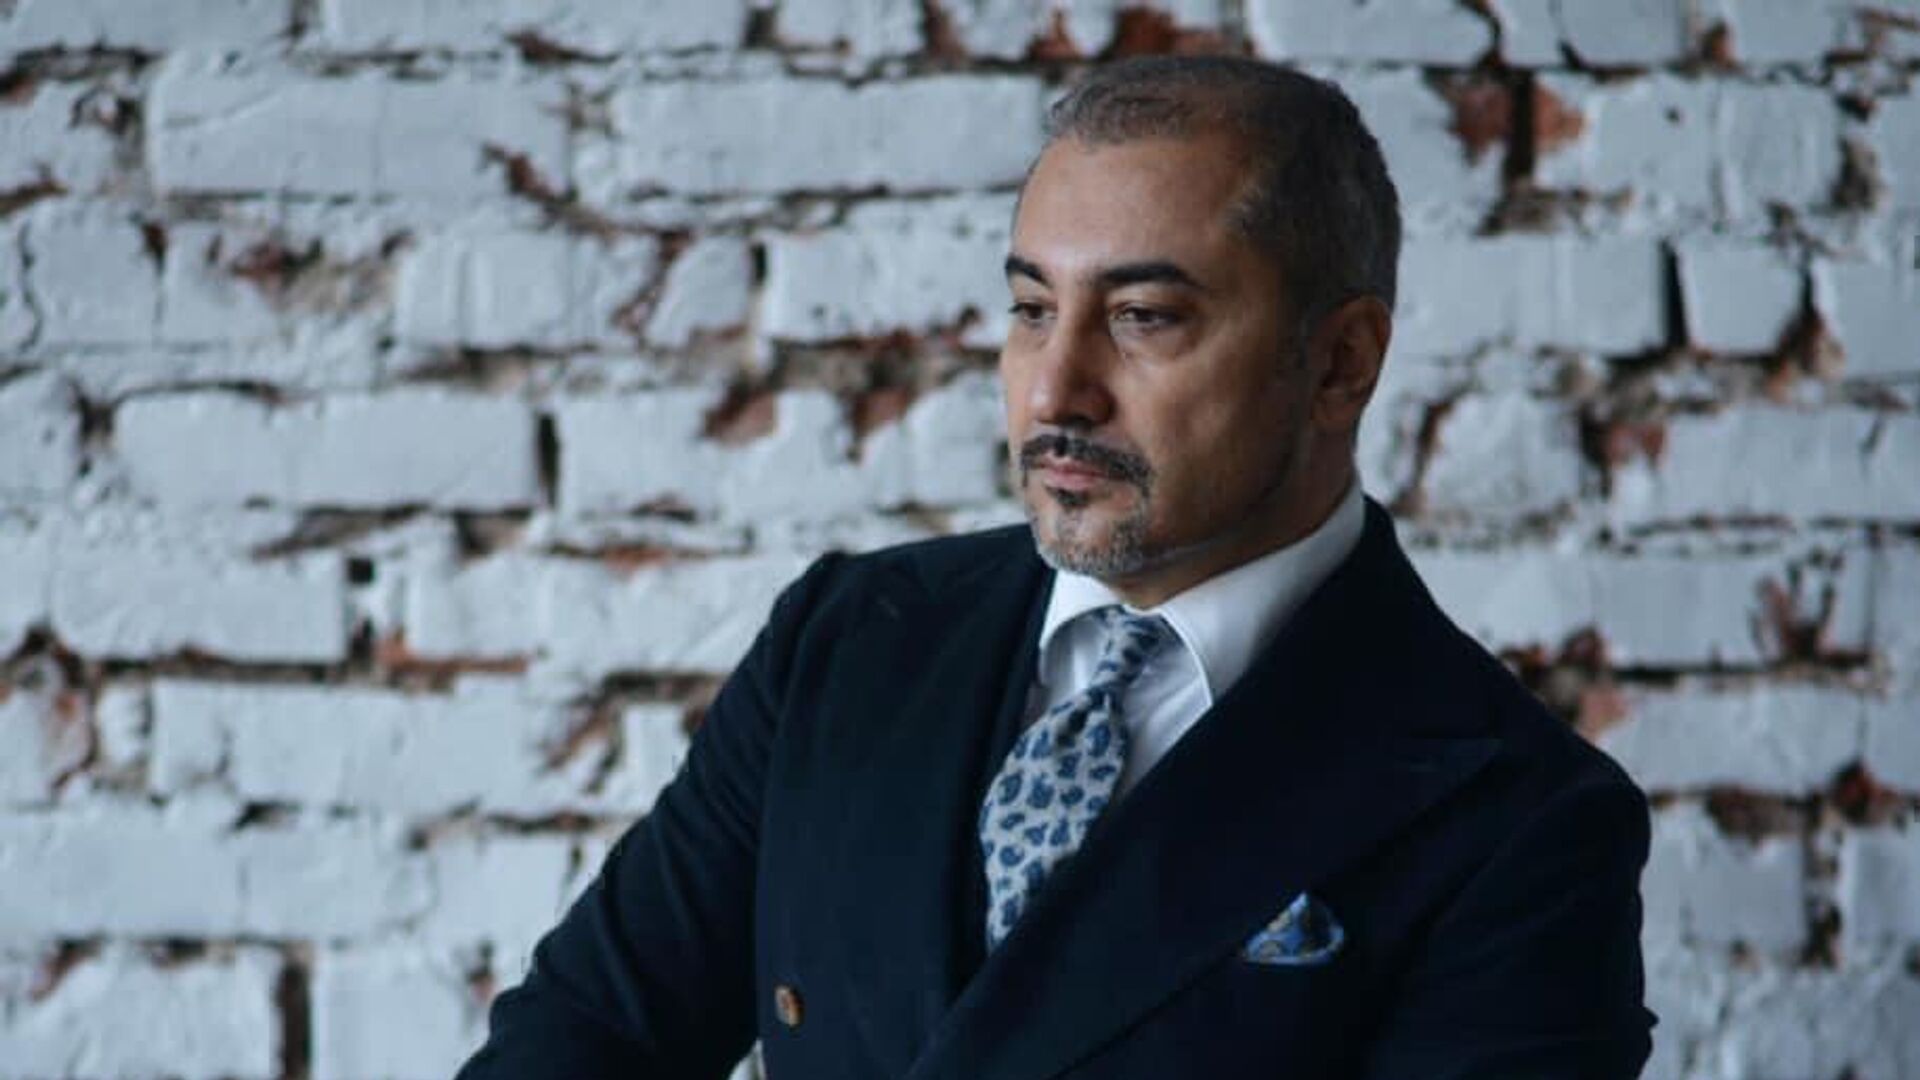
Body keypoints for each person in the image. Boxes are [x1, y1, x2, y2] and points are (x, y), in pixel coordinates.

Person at [456, 55, 1654, 1079]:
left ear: (1341, 362)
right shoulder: (850, 640)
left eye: (1144, 317)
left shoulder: (1519, 819)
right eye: (1033, 310)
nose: (1056, 392)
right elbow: (582, 1040)